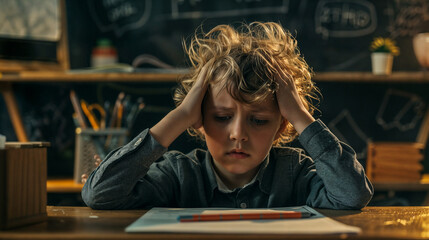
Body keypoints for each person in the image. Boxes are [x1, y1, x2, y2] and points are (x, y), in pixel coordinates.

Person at [82, 22, 373, 210]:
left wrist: (299, 114)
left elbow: (352, 195)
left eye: (258, 120)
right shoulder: (179, 175)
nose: (238, 134)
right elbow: (100, 194)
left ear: (282, 124)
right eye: (221, 117)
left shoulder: (295, 174)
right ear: (199, 120)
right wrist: (181, 114)